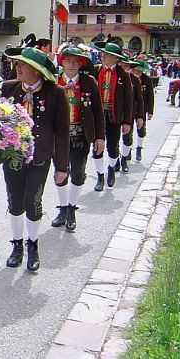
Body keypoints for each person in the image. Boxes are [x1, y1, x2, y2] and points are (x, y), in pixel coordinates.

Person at [1, 46, 69, 271]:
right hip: (12, 157)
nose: (17, 67)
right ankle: (17, 245)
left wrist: (61, 166)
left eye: (23, 64)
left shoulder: (55, 93)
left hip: (40, 158)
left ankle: (33, 245)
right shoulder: (9, 88)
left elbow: (62, 132)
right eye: (17, 63)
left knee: (33, 202)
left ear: (37, 71)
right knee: (14, 202)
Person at [52, 47, 105, 232]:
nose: (72, 65)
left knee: (78, 174)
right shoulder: (53, 81)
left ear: (81, 64)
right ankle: (62, 208)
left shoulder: (89, 82)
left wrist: (100, 137)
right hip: (58, 137)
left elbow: (98, 112)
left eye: (76, 62)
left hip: (81, 135)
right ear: (62, 63)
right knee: (60, 173)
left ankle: (72, 208)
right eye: (68, 61)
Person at [92, 42, 133, 191]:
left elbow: (129, 100)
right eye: (102, 54)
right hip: (97, 115)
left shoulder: (124, 75)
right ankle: (99, 176)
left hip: (114, 116)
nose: (103, 56)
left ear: (115, 58)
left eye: (106, 54)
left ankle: (111, 167)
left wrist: (127, 121)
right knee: (97, 146)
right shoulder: (95, 70)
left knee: (113, 146)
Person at [118, 60, 145, 173]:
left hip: (129, 113)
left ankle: (124, 159)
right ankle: (114, 161)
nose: (124, 68)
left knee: (127, 137)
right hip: (116, 112)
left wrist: (140, 116)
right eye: (122, 66)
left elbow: (139, 99)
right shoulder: (115, 77)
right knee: (113, 140)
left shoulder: (134, 79)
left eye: (127, 66)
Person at [130, 59, 154, 161]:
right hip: (130, 109)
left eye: (140, 71)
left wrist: (150, 111)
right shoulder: (128, 78)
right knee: (128, 132)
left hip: (142, 109)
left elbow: (150, 96)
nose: (138, 72)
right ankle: (127, 151)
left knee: (141, 130)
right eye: (136, 70)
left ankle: (139, 148)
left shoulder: (147, 80)